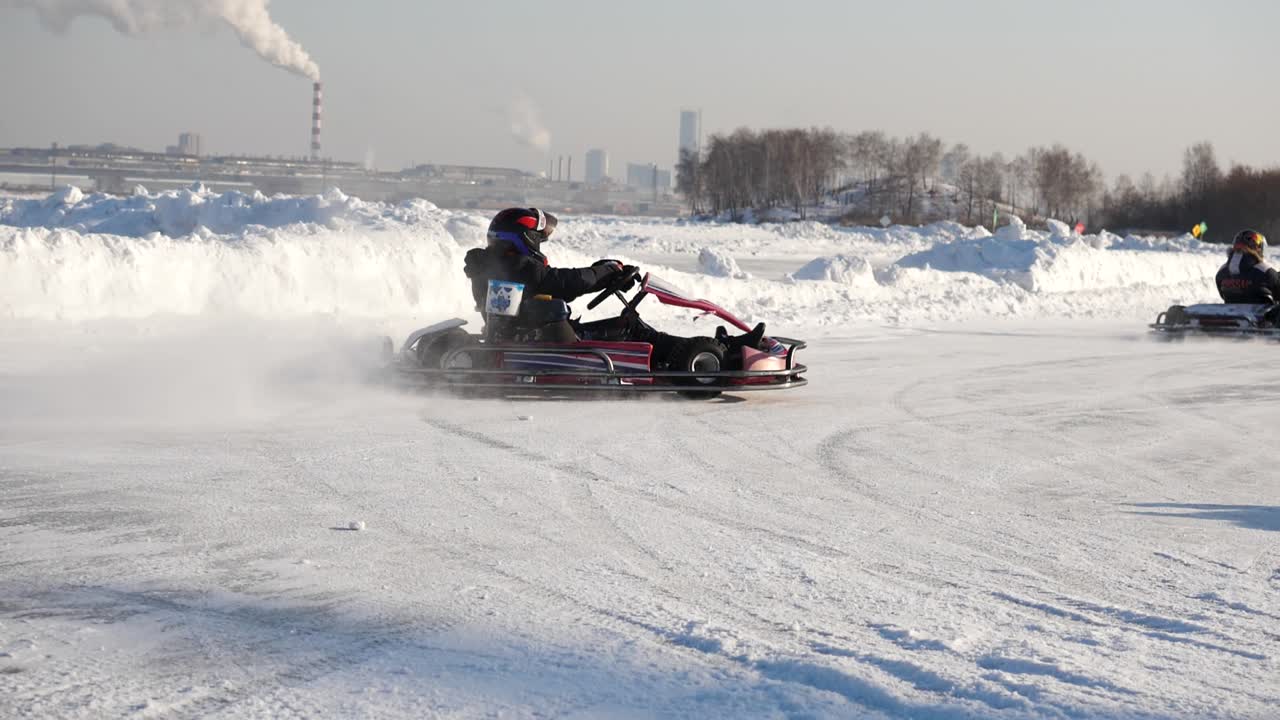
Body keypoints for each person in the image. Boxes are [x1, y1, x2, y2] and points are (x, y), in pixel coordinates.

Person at [463, 207, 763, 360]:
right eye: (539, 239)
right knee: (632, 329)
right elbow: (564, 282)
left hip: (534, 335)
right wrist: (603, 272)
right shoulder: (512, 265)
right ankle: (713, 353)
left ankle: (722, 347)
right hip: (538, 341)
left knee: (630, 326)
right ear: (524, 238)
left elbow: (556, 283)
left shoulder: (494, 264)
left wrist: (603, 273)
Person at [1216, 229, 1280, 305]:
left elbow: (1223, 296)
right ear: (1258, 248)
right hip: (1260, 316)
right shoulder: (1265, 272)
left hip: (1232, 314)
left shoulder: (1221, 272)